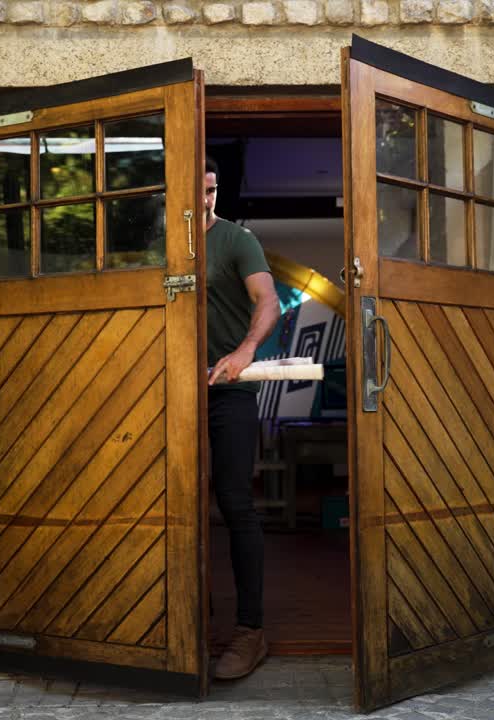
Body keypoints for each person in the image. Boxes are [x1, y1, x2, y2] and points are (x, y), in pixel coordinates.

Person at [204, 157, 280, 680]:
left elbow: (268, 300)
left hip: (227, 390)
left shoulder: (235, 240)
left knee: (234, 502)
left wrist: (246, 349)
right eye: (198, 189)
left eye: (213, 188)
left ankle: (250, 630)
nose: (207, 197)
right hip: (162, 392)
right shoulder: (151, 239)